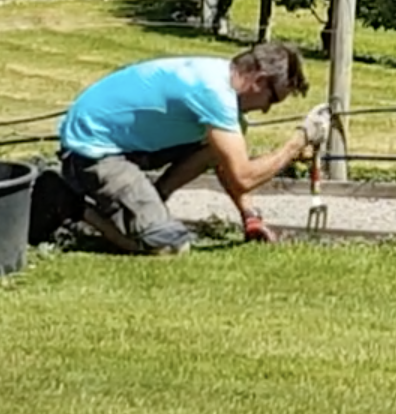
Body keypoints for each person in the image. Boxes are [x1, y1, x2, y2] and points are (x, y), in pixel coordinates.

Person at [47, 42, 328, 255]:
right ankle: (69, 204)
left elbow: (225, 162)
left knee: (214, 144)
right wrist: (298, 141)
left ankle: (155, 200)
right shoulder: (212, 93)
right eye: (273, 99)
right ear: (259, 81)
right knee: (167, 247)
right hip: (92, 153)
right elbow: (245, 176)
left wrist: (249, 216)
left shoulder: (219, 80)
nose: (267, 109)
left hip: (126, 145)